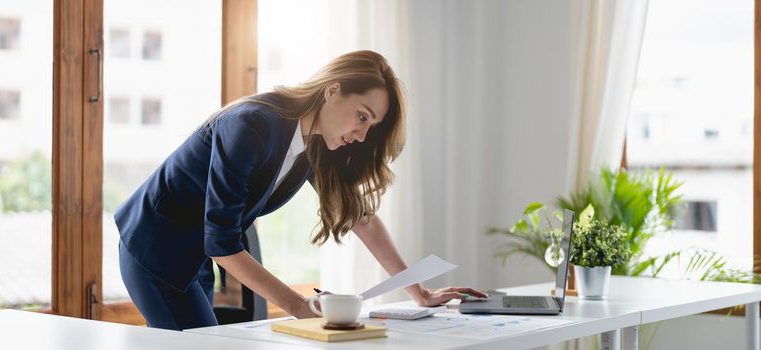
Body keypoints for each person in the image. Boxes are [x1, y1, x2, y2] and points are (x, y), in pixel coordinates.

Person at [115, 50, 487, 330]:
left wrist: (419, 293)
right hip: (154, 248)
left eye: (370, 127)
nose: (361, 135)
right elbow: (223, 244)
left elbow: (359, 217)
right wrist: (299, 306)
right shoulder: (251, 125)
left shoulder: (316, 143)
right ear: (332, 90)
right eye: (362, 116)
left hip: (194, 255)